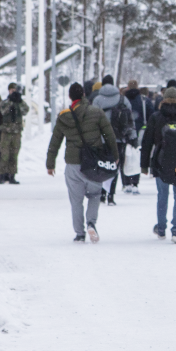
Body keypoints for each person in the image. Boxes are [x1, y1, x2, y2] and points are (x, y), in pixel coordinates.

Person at [46, 82, 120, 244]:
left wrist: (50, 163)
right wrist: (115, 156)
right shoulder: (96, 112)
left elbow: (55, 141)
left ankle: (79, 233)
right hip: (94, 162)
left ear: (70, 97)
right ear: (84, 95)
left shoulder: (64, 116)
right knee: (94, 195)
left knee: (76, 200)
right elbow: (109, 135)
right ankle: (91, 223)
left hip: (73, 164)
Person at [140, 86, 176, 243]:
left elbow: (147, 141)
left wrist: (144, 165)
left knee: (162, 196)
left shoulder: (156, 117)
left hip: (160, 162)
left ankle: (161, 229)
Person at [93, 75, 137, 205]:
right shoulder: (123, 98)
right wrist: (132, 137)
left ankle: (102, 194)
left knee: (101, 165)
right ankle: (111, 196)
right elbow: (130, 120)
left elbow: (92, 120)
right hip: (119, 138)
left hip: (102, 139)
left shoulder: (97, 99)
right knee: (115, 166)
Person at [123, 79, 152, 194]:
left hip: (125, 131)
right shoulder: (144, 100)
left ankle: (126, 182)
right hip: (141, 131)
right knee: (137, 156)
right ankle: (135, 182)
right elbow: (151, 115)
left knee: (126, 156)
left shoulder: (123, 99)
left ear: (128, 87)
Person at [0, 82, 29, 185]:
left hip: (16, 132)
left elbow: (26, 111)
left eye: (14, 90)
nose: (13, 92)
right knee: (4, 154)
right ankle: (2, 175)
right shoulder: (5, 102)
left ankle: (12, 175)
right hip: (6, 132)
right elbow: (3, 111)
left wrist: (19, 101)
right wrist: (11, 102)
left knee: (14, 154)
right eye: (11, 90)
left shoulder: (20, 102)